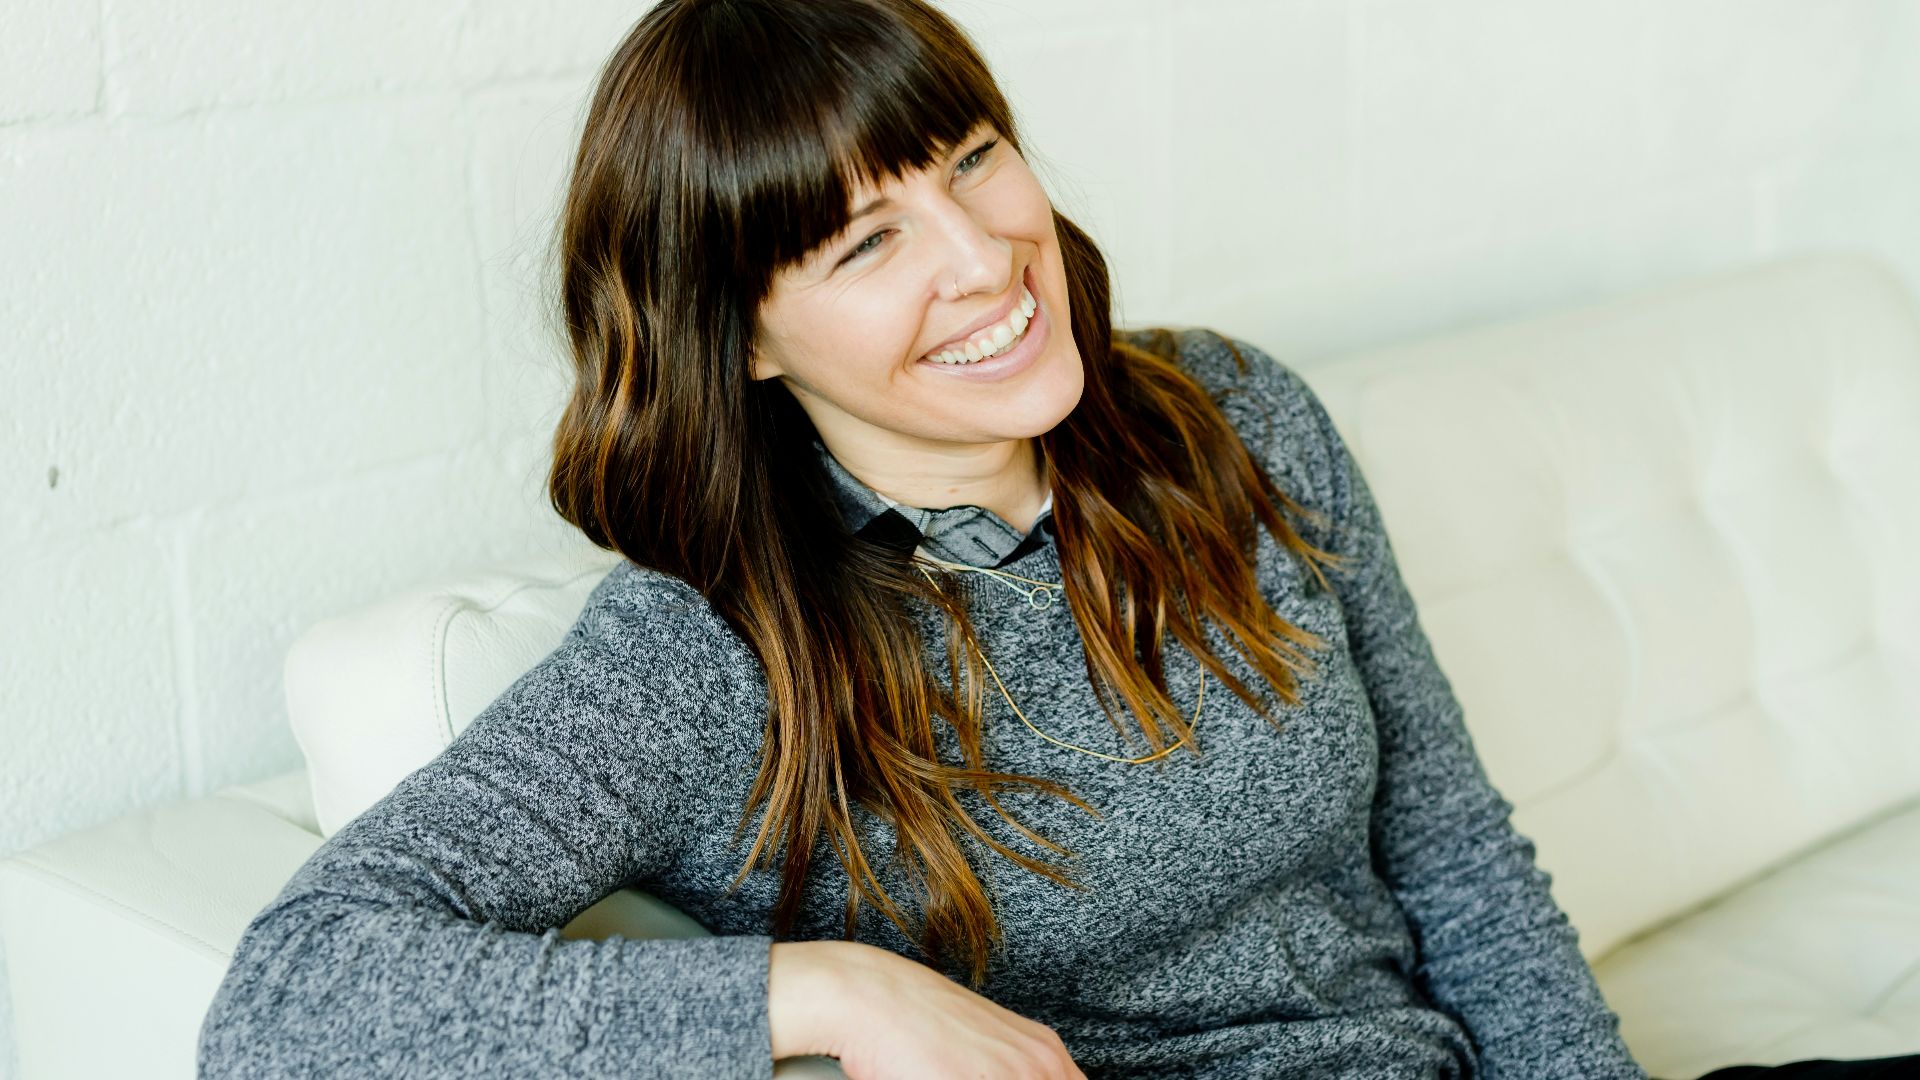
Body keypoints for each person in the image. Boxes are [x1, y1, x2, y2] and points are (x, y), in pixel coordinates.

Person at [195, 1, 1920, 1078]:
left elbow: (1451, 846)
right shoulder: (715, 652)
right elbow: (290, 999)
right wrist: (833, 994)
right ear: (744, 335)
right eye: (867, 242)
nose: (984, 252)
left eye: (972, 156)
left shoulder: (1229, 416)